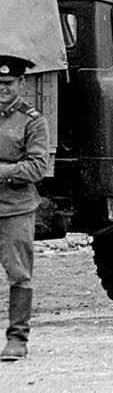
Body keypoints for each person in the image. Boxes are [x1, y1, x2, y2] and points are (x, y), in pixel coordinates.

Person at [0, 54, 49, 362]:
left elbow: (36, 168)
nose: (1, 89)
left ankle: (18, 338)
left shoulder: (33, 122)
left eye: (7, 83)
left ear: (20, 83)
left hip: (14, 210)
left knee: (19, 274)